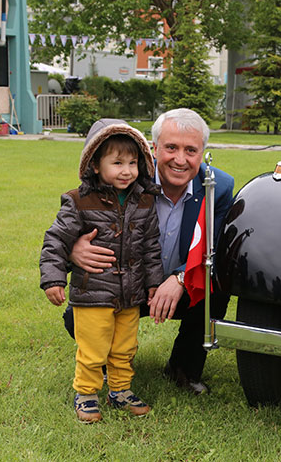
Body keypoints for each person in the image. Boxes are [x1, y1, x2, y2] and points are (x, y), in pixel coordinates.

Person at [69, 108, 235, 395]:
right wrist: (74, 249)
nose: (180, 159)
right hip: (127, 284)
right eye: (171, 147)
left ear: (203, 152)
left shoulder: (218, 187)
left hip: (180, 288)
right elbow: (77, 217)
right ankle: (106, 365)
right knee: (77, 314)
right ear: (153, 148)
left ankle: (184, 368)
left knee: (215, 287)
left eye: (191, 150)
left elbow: (219, 249)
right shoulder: (125, 175)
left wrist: (181, 278)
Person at [40, 118, 164, 423]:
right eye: (117, 162)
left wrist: (153, 283)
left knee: (124, 347)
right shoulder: (79, 201)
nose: (126, 170)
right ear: (95, 165)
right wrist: (53, 278)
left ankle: (120, 391)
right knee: (94, 348)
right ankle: (86, 393)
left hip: (130, 294)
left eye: (133, 162)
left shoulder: (145, 200)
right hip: (93, 292)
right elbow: (56, 239)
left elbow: (151, 246)